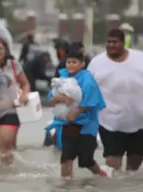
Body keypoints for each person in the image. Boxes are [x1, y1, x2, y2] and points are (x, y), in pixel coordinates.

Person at [87, 28, 143, 172]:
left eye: (115, 42)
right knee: (112, 162)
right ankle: (112, 191)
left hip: (138, 120)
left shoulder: (139, 59)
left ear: (123, 43)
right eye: (108, 42)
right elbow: (87, 90)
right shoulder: (96, 63)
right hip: (109, 120)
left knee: (135, 164)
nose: (111, 45)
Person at [46, 50, 107, 180]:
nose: (71, 65)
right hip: (67, 125)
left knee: (86, 161)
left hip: (86, 126)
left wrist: (77, 111)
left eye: (74, 62)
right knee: (66, 158)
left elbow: (92, 100)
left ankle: (103, 176)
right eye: (69, 62)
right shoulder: (61, 79)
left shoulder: (88, 80)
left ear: (82, 64)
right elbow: (50, 101)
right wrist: (60, 98)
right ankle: (66, 189)